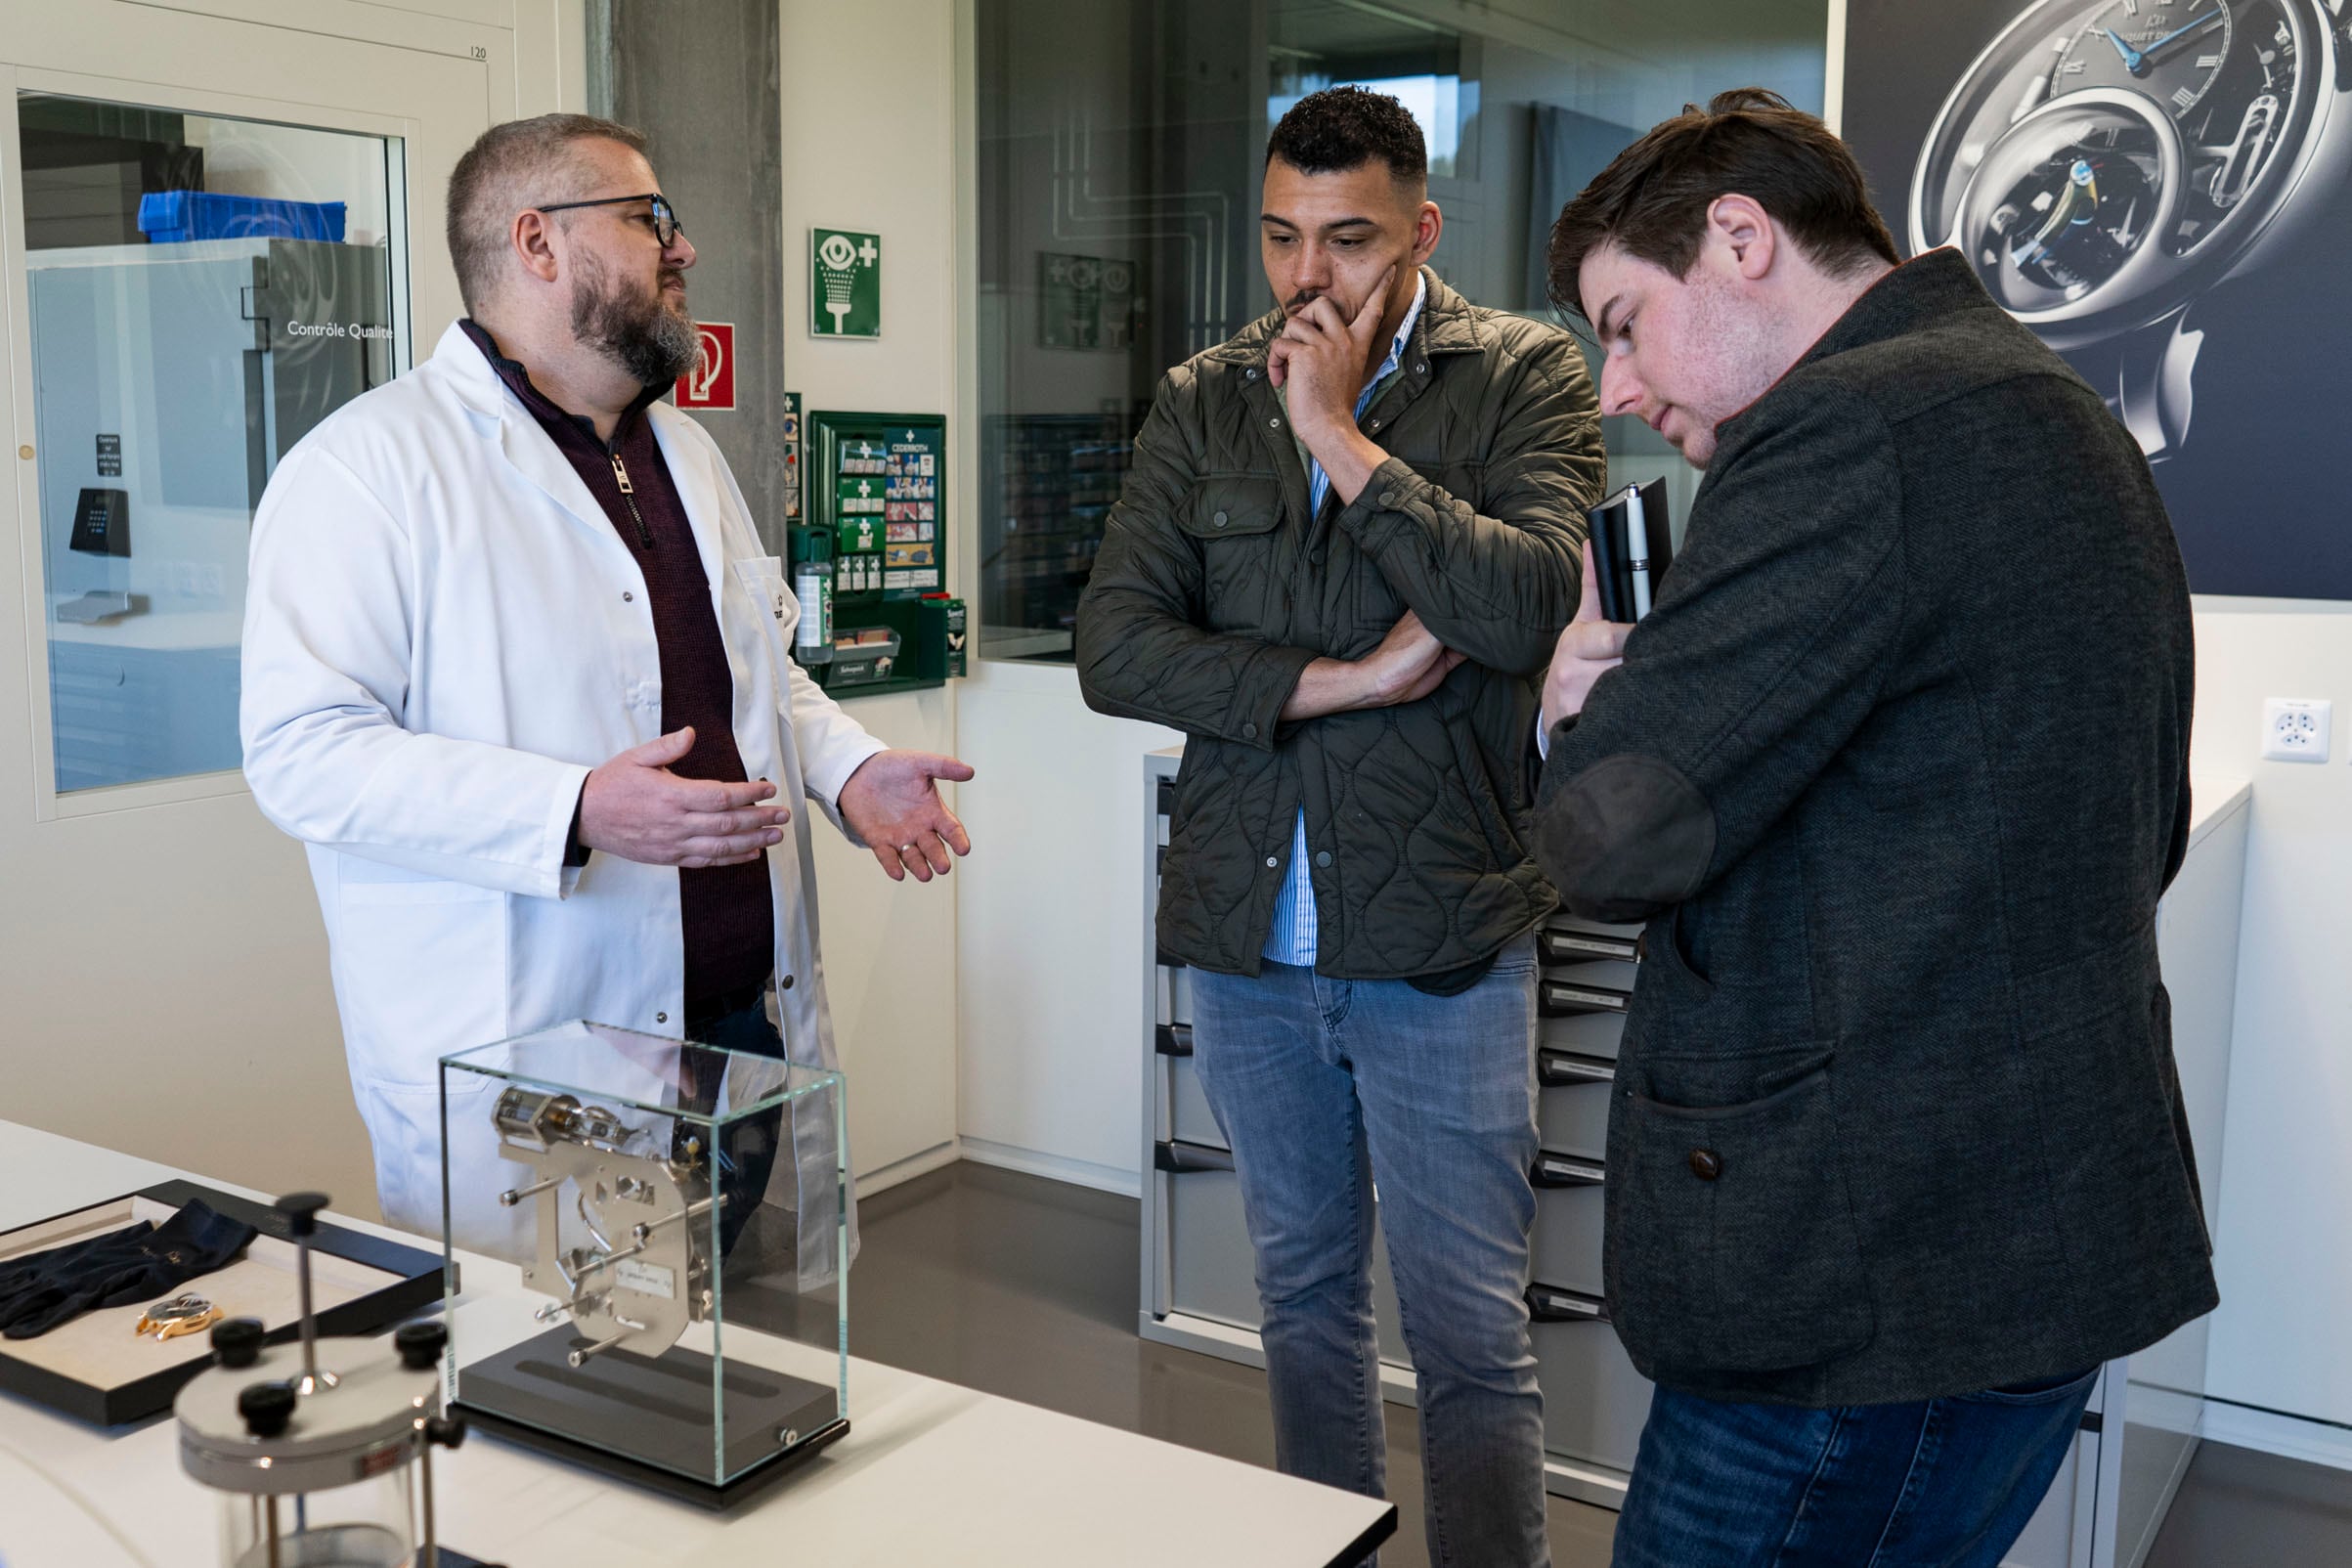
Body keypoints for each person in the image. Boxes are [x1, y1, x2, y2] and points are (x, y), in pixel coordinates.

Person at [1533, 89, 2216, 1567]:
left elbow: (1606, 837)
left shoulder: (1846, 432)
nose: (1615, 387)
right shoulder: (2048, 407)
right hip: (2022, 1242)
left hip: (1863, 1283)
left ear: (1738, 238)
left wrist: (1575, 702)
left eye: (1624, 324)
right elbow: (2138, 825)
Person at [240, 114, 972, 1256]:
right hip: (537, 1048)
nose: (684, 248)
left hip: (738, 1033)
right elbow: (303, 753)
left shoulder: (683, 452)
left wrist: (849, 769)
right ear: (537, 241)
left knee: (716, 1341)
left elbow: (754, 674)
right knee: (562, 1354)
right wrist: (573, 807)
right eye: (648, 219)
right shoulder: (368, 469)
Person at [1077, 86, 1606, 1568]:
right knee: (1302, 1304)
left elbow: (1524, 606)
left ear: (1421, 230)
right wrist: (1349, 678)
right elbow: (1116, 647)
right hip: (1247, 935)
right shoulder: (1202, 397)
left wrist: (1336, 431)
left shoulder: (1523, 376)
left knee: (1467, 1333)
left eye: (1348, 240)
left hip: (1442, 935)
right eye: (1280, 238)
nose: (1306, 278)